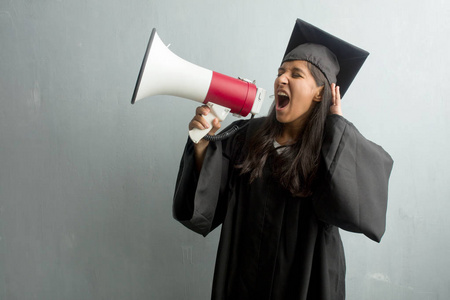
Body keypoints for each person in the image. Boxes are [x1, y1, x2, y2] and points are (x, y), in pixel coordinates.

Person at [173, 19, 394, 300]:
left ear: (320, 93)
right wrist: (203, 144)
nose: (282, 79)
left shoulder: (332, 148)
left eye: (296, 74)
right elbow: (208, 203)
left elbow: (360, 209)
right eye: (281, 72)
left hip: (304, 280)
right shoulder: (247, 135)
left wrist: (337, 125)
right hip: (243, 276)